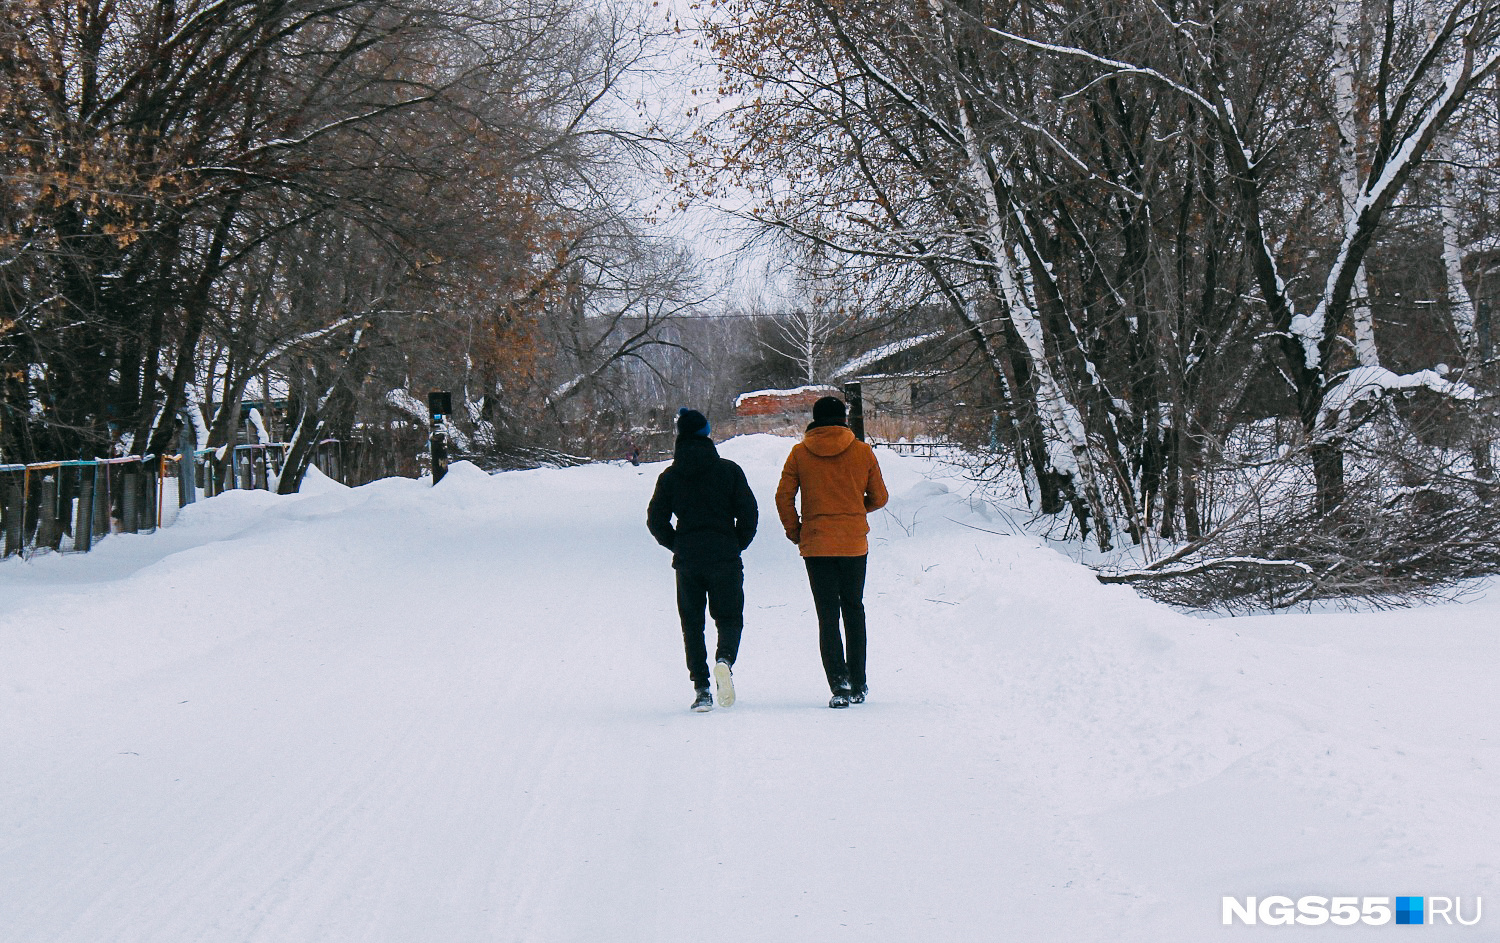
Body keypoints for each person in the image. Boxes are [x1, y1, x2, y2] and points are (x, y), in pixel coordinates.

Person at [775, 396, 888, 708]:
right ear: (843, 419)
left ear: (815, 420)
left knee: (827, 614)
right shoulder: (863, 451)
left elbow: (783, 496)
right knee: (854, 609)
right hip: (853, 543)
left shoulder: (799, 453)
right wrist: (855, 512)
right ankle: (860, 683)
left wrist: (795, 530)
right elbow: (880, 497)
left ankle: (839, 686)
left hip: (816, 543)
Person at [647, 408, 758, 712]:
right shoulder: (729, 471)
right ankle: (724, 660)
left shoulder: (670, 476)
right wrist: (737, 543)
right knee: (730, 617)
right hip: (724, 556)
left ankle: (702, 688)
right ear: (707, 434)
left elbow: (656, 520)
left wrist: (677, 544)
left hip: (688, 561)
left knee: (692, 624)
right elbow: (749, 513)